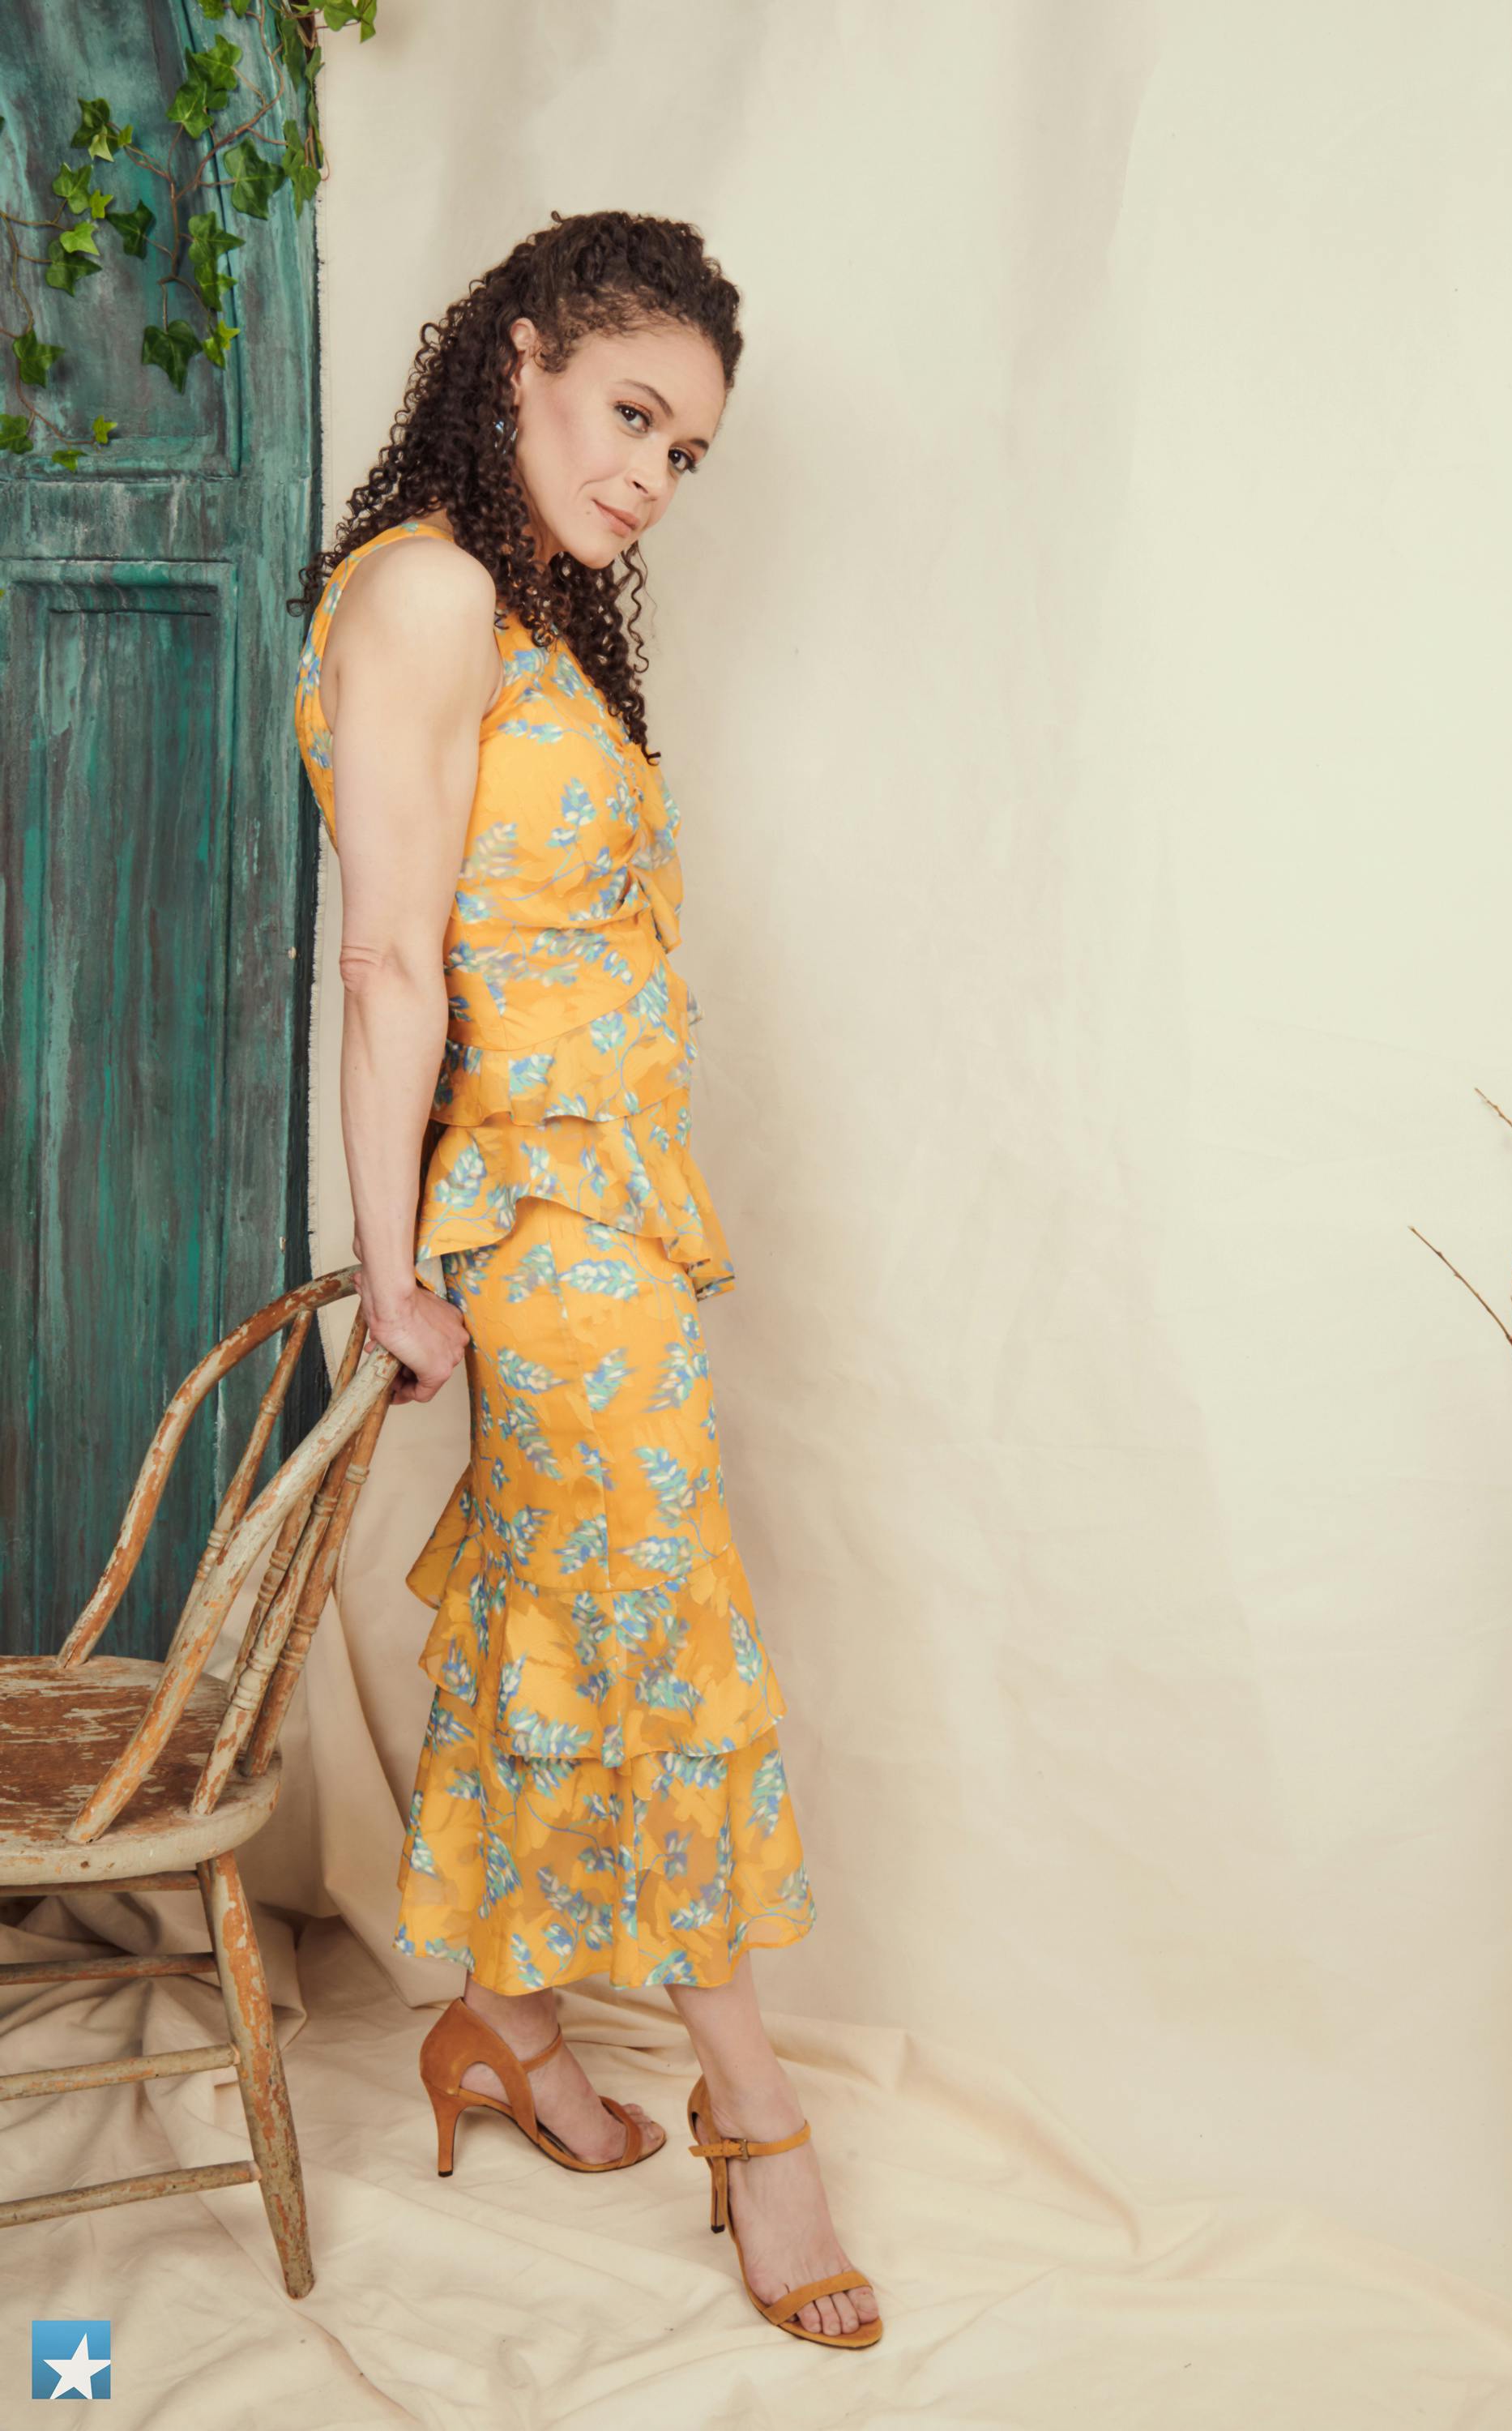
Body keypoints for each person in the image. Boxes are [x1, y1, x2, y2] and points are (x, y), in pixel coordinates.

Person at [289, 210, 880, 2349]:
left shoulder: (515, 602)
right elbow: (387, 959)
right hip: (538, 1227)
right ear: (521, 358)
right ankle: (756, 2115)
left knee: (566, 1616)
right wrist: (393, 1270)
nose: (649, 474)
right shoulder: (432, 592)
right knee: (652, 1625)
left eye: (683, 451)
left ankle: (510, 2027)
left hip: (607, 1213)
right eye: (629, 413)